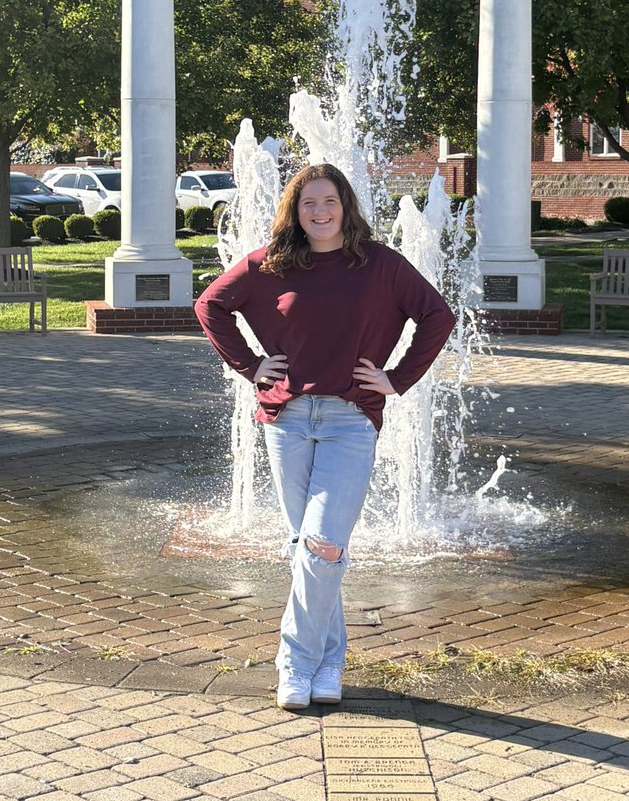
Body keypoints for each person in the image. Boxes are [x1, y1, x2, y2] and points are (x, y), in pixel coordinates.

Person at [195, 163, 455, 709]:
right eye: (308, 202)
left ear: (345, 206)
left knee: (322, 544)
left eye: (329, 201)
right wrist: (251, 366)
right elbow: (210, 305)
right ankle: (329, 663)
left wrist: (398, 378)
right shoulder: (271, 263)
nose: (319, 211)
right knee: (310, 551)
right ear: (294, 210)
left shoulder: (380, 264)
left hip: (349, 421)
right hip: (286, 420)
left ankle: (294, 663)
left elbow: (437, 315)